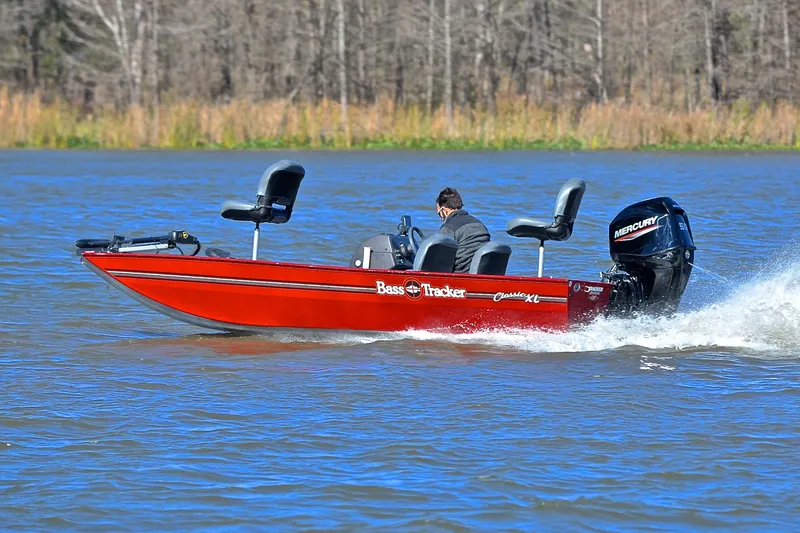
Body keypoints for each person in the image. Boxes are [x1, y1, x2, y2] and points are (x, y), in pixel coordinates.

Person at [436, 187, 490, 273]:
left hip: (459, 279)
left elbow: (440, 264)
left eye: (439, 214)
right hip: (483, 273)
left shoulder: (447, 228)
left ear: (445, 211)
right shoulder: (480, 225)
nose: (441, 219)